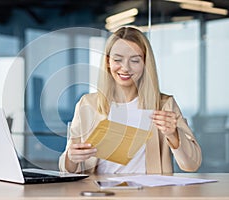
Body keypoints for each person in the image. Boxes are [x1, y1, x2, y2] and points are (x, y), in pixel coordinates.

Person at [59, 27, 202, 174]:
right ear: (108, 62)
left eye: (135, 60)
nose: (125, 68)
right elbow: (66, 168)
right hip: (102, 194)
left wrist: (174, 135)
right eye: (118, 60)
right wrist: (71, 157)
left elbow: (192, 165)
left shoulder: (164, 105)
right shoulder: (88, 104)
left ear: (145, 63)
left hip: (149, 193)